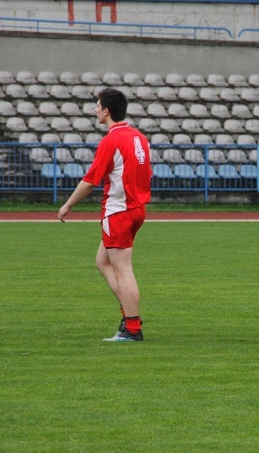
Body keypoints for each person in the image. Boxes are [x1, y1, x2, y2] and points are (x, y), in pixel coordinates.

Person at [57, 87, 152, 342]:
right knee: (103, 261)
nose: (95, 109)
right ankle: (128, 314)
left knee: (123, 269)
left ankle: (132, 328)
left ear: (106, 111)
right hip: (136, 208)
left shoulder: (111, 139)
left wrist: (68, 205)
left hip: (119, 210)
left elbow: (90, 181)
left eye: (97, 105)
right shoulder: (139, 137)